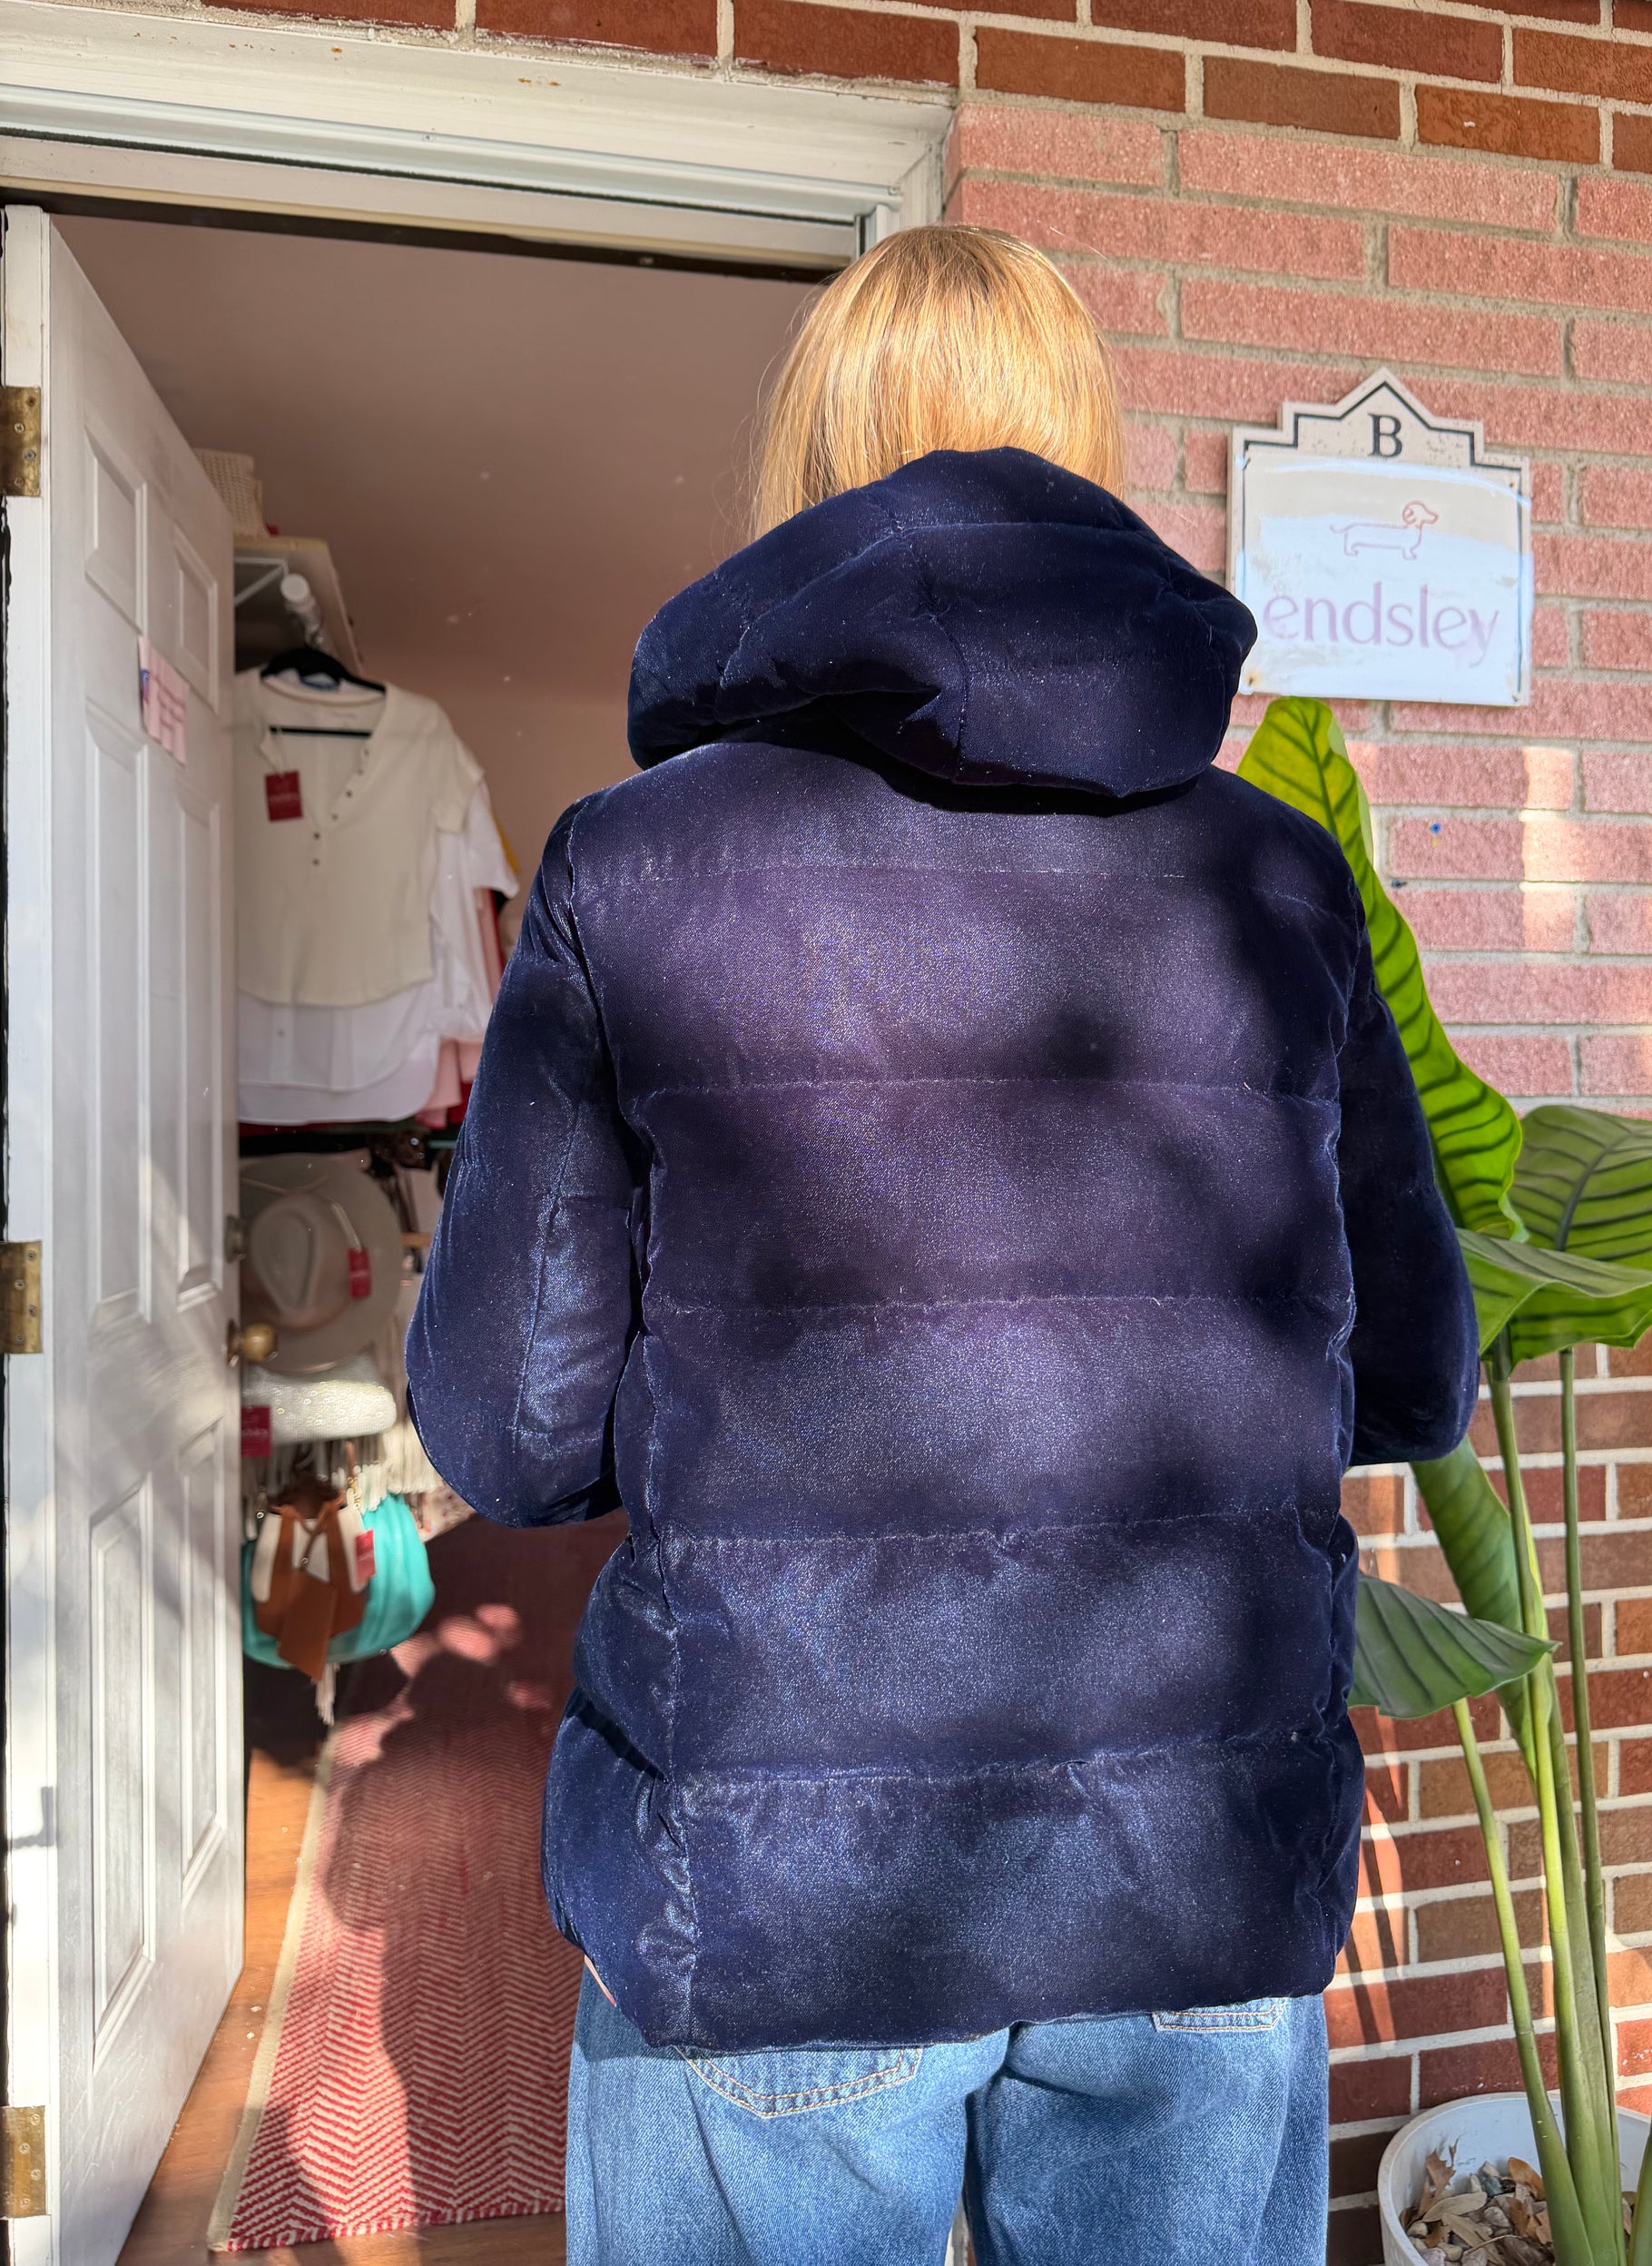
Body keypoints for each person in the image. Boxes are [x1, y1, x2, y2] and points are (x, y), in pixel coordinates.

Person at [407, 226, 1480, 2266]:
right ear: (1084, 451)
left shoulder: (635, 866)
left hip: (770, 1878)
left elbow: (508, 1436)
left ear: (810, 469)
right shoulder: (1275, 879)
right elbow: (1414, 1377)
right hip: (1194, 1869)